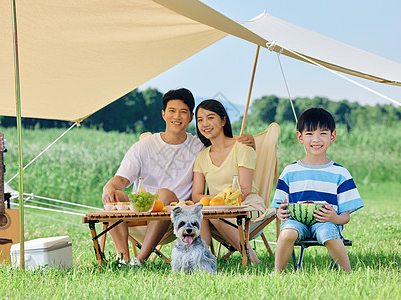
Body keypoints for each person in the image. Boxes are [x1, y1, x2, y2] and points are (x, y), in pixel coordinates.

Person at [102, 88, 255, 266]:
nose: (177, 117)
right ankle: (123, 259)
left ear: (190, 118)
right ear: (163, 114)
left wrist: (248, 140)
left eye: (183, 112)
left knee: (165, 194)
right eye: (172, 111)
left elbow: (221, 140)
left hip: (174, 216)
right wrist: (109, 187)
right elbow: (121, 179)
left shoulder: (198, 146)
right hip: (141, 212)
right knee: (116, 196)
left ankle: (140, 260)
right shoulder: (143, 146)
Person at [272, 107, 364, 272]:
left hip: (327, 222)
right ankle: (278, 273)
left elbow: (345, 217)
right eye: (309, 134)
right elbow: (279, 209)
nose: (316, 139)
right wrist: (280, 213)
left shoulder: (340, 173)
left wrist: (334, 218)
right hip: (296, 221)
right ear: (300, 137)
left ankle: (348, 273)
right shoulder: (289, 172)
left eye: (322, 133)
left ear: (332, 136)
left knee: (327, 233)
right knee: (287, 233)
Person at [191, 99, 266, 264]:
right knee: (202, 213)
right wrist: (215, 203)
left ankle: (252, 259)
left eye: (211, 117)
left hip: (246, 206)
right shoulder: (202, 156)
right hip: (214, 210)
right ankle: (203, 261)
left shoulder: (242, 147)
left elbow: (244, 190)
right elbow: (196, 195)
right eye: (200, 120)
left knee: (213, 214)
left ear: (223, 120)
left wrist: (215, 203)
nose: (205, 124)